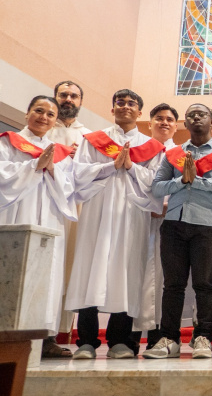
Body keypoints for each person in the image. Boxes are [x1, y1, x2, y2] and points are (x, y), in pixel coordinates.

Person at [66, 89, 165, 360]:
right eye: (120, 102)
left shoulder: (152, 147)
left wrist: (132, 166)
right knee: (91, 270)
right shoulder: (94, 140)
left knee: (127, 272)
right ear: (112, 109)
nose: (125, 106)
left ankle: (119, 340)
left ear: (140, 112)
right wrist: (110, 167)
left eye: (132, 103)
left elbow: (157, 182)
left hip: (132, 213)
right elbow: (79, 172)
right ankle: (86, 341)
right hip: (97, 212)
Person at [144, 104, 212, 359]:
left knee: (205, 284)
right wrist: (181, 181)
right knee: (172, 285)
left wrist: (196, 180)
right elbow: (157, 188)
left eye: (202, 114)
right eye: (191, 115)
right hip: (174, 224)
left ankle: (203, 338)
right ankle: (169, 339)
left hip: (207, 225)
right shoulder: (174, 153)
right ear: (185, 124)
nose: (196, 117)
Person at [0, 96, 77, 354]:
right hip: (17, 213)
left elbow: (70, 188)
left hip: (49, 216)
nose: (43, 117)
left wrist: (52, 169)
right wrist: (35, 165)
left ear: (55, 121)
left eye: (50, 114)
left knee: (48, 272)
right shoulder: (7, 142)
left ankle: (46, 339)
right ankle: (7, 335)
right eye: (38, 111)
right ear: (27, 113)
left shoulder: (60, 153)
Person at [46, 80, 91, 357]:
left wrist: (80, 160)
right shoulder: (42, 130)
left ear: (80, 102)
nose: (68, 99)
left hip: (75, 212)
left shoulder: (89, 136)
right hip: (44, 208)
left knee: (68, 270)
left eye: (74, 96)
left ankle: (56, 335)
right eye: (63, 94)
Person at [131, 104, 180, 353]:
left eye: (170, 119)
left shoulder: (180, 154)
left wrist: (165, 205)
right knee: (135, 275)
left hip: (168, 223)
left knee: (164, 278)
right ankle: (127, 339)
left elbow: (185, 186)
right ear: (149, 123)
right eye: (159, 118)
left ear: (176, 126)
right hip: (138, 220)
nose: (164, 122)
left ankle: (158, 337)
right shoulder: (137, 151)